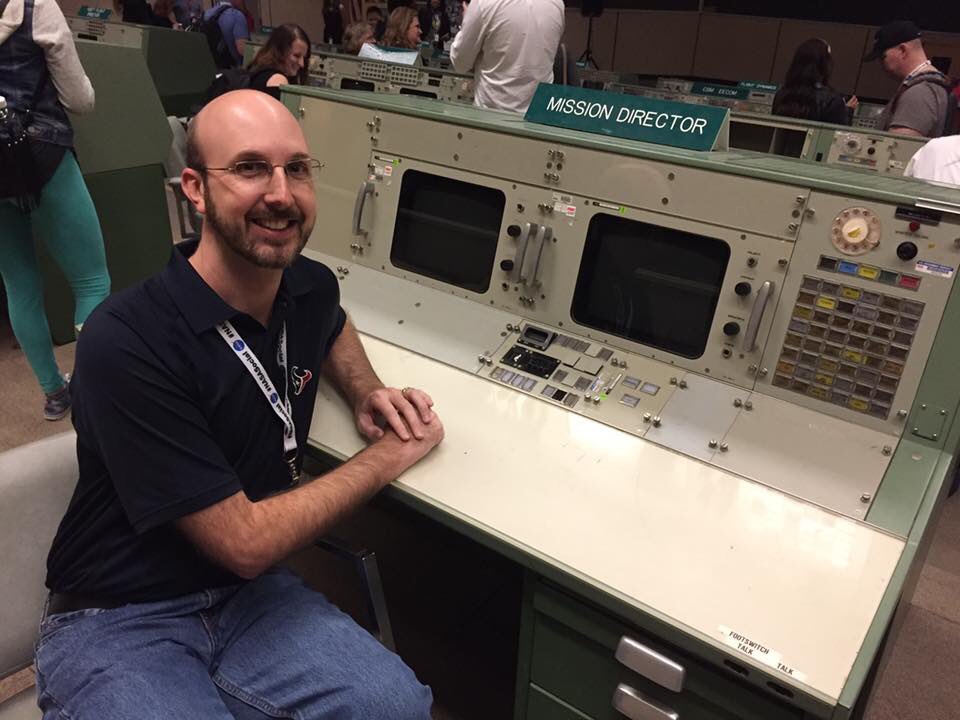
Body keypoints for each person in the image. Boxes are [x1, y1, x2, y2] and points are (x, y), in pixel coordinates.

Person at [38, 89, 443, 719]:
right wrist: (389, 456)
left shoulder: (306, 285)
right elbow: (246, 542)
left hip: (247, 597)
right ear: (195, 189)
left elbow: (333, 323)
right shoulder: (127, 340)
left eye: (297, 169)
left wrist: (367, 389)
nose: (281, 194)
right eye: (250, 168)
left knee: (397, 707)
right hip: (118, 615)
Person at [0, 0, 110, 420]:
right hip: (43, 158)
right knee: (91, 281)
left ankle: (54, 393)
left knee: (20, 286)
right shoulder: (35, 8)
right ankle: (92, 389)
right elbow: (80, 99)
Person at [450, 0, 565, 113]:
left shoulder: (484, 3)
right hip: (538, 115)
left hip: (491, 115)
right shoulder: (557, 4)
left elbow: (460, 63)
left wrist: (466, 21)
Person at [864, 20, 952, 138]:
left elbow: (898, 146)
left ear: (902, 50)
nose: (881, 64)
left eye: (882, 57)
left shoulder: (920, 92)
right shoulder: (931, 85)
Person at [772, 38, 856, 125]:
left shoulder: (781, 95)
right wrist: (847, 111)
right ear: (824, 65)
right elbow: (837, 131)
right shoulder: (832, 101)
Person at [246, 23, 311, 91]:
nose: (301, 64)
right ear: (280, 51)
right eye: (296, 56)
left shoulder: (260, 72)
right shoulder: (278, 80)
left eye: (304, 58)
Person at [202, 0, 249, 67]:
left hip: (212, 66)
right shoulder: (237, 15)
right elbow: (242, 50)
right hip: (233, 68)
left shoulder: (207, 14)